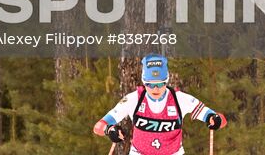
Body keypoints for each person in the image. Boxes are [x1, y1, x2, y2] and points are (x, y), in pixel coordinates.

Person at [92, 55, 227, 153]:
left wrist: (215, 119)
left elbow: (218, 119)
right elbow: (98, 126)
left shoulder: (179, 99)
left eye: (160, 84)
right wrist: (109, 130)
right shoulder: (134, 99)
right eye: (150, 85)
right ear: (144, 82)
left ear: (167, 80)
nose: (155, 89)